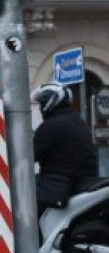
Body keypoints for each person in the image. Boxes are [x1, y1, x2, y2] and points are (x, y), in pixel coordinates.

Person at [32, 82, 98, 213]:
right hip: (83, 181)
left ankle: (30, 226)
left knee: (25, 188)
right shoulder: (79, 122)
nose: (40, 107)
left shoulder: (50, 127)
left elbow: (29, 156)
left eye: (42, 102)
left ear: (52, 101)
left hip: (61, 185)